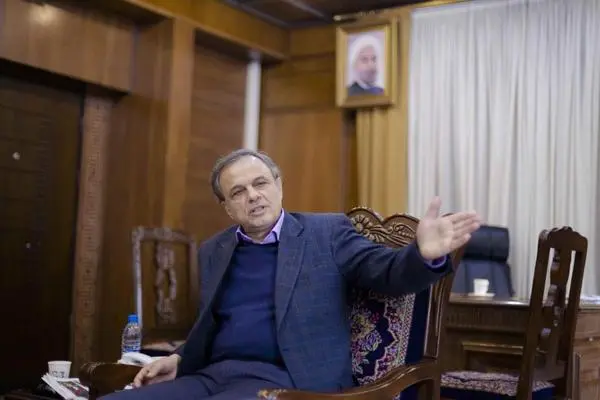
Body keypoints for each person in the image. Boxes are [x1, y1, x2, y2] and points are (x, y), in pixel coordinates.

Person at [101, 149, 480, 400]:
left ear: (279, 186)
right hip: (212, 376)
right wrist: (180, 359)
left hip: (288, 381)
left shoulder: (327, 233)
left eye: (260, 183)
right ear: (227, 207)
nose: (253, 196)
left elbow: (389, 274)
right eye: (238, 192)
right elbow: (211, 326)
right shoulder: (214, 249)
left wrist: (422, 255)